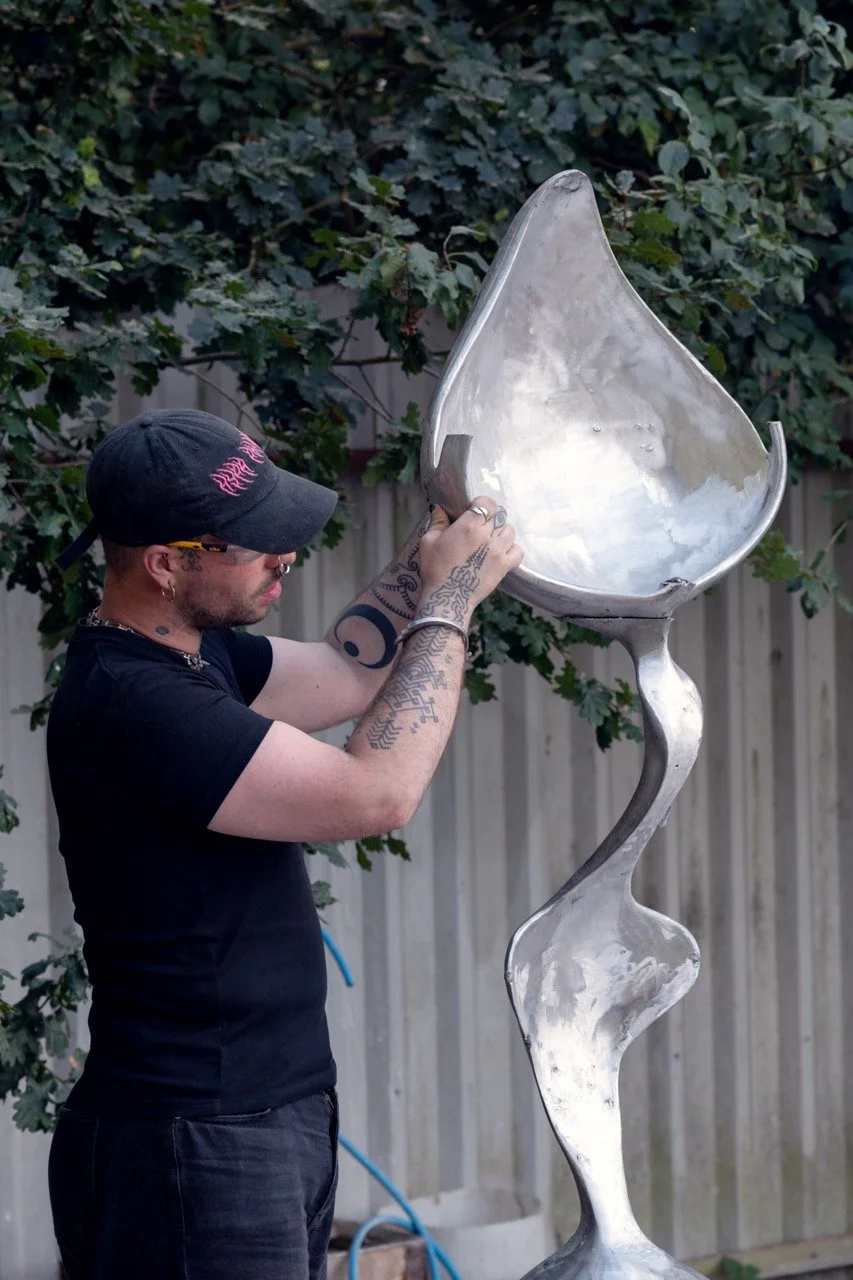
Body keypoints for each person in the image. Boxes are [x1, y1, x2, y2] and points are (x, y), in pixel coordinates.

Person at [46, 407, 522, 1280]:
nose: (286, 555)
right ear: (164, 564)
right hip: (192, 1140)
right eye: (254, 543)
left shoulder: (201, 658)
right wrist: (450, 599)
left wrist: (431, 547)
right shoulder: (133, 703)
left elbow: (351, 669)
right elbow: (376, 794)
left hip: (269, 1114)